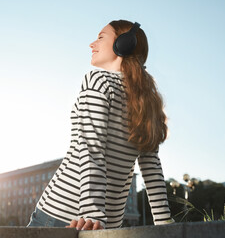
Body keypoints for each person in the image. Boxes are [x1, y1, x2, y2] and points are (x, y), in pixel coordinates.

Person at [27, 20, 174, 230]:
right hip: (103, 222)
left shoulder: (98, 81)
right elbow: (152, 168)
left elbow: (91, 149)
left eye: (101, 37)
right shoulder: (147, 100)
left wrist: (92, 214)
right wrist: (164, 222)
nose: (92, 44)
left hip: (65, 215)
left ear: (123, 44)